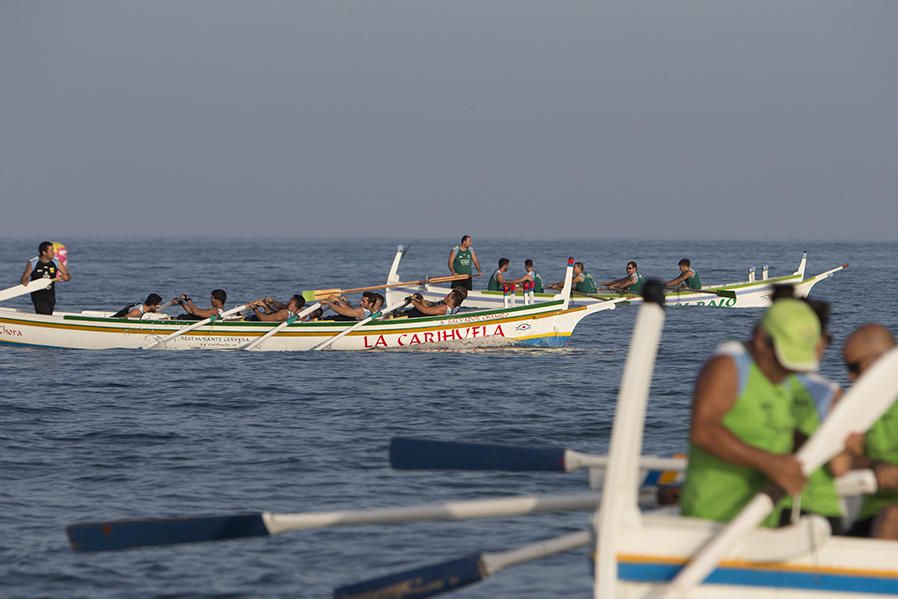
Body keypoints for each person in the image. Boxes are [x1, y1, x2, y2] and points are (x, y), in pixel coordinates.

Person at [680, 298, 821, 526]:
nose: (788, 371)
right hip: (711, 523)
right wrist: (770, 464)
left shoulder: (788, 377)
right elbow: (703, 430)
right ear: (761, 340)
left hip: (762, 523)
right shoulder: (728, 366)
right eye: (783, 360)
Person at [841, 324, 898, 539]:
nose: (849, 378)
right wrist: (870, 464)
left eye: (854, 368)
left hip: (891, 516)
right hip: (868, 514)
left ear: (881, 361)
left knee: (893, 516)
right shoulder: (853, 408)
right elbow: (844, 463)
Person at [20, 241, 71, 315]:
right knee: (44, 314)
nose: (54, 252)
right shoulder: (33, 263)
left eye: (53, 250)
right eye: (51, 251)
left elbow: (68, 276)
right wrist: (24, 281)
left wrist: (66, 277)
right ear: (44, 252)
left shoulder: (56, 262)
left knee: (48, 315)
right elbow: (24, 278)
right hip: (38, 295)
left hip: (50, 295)